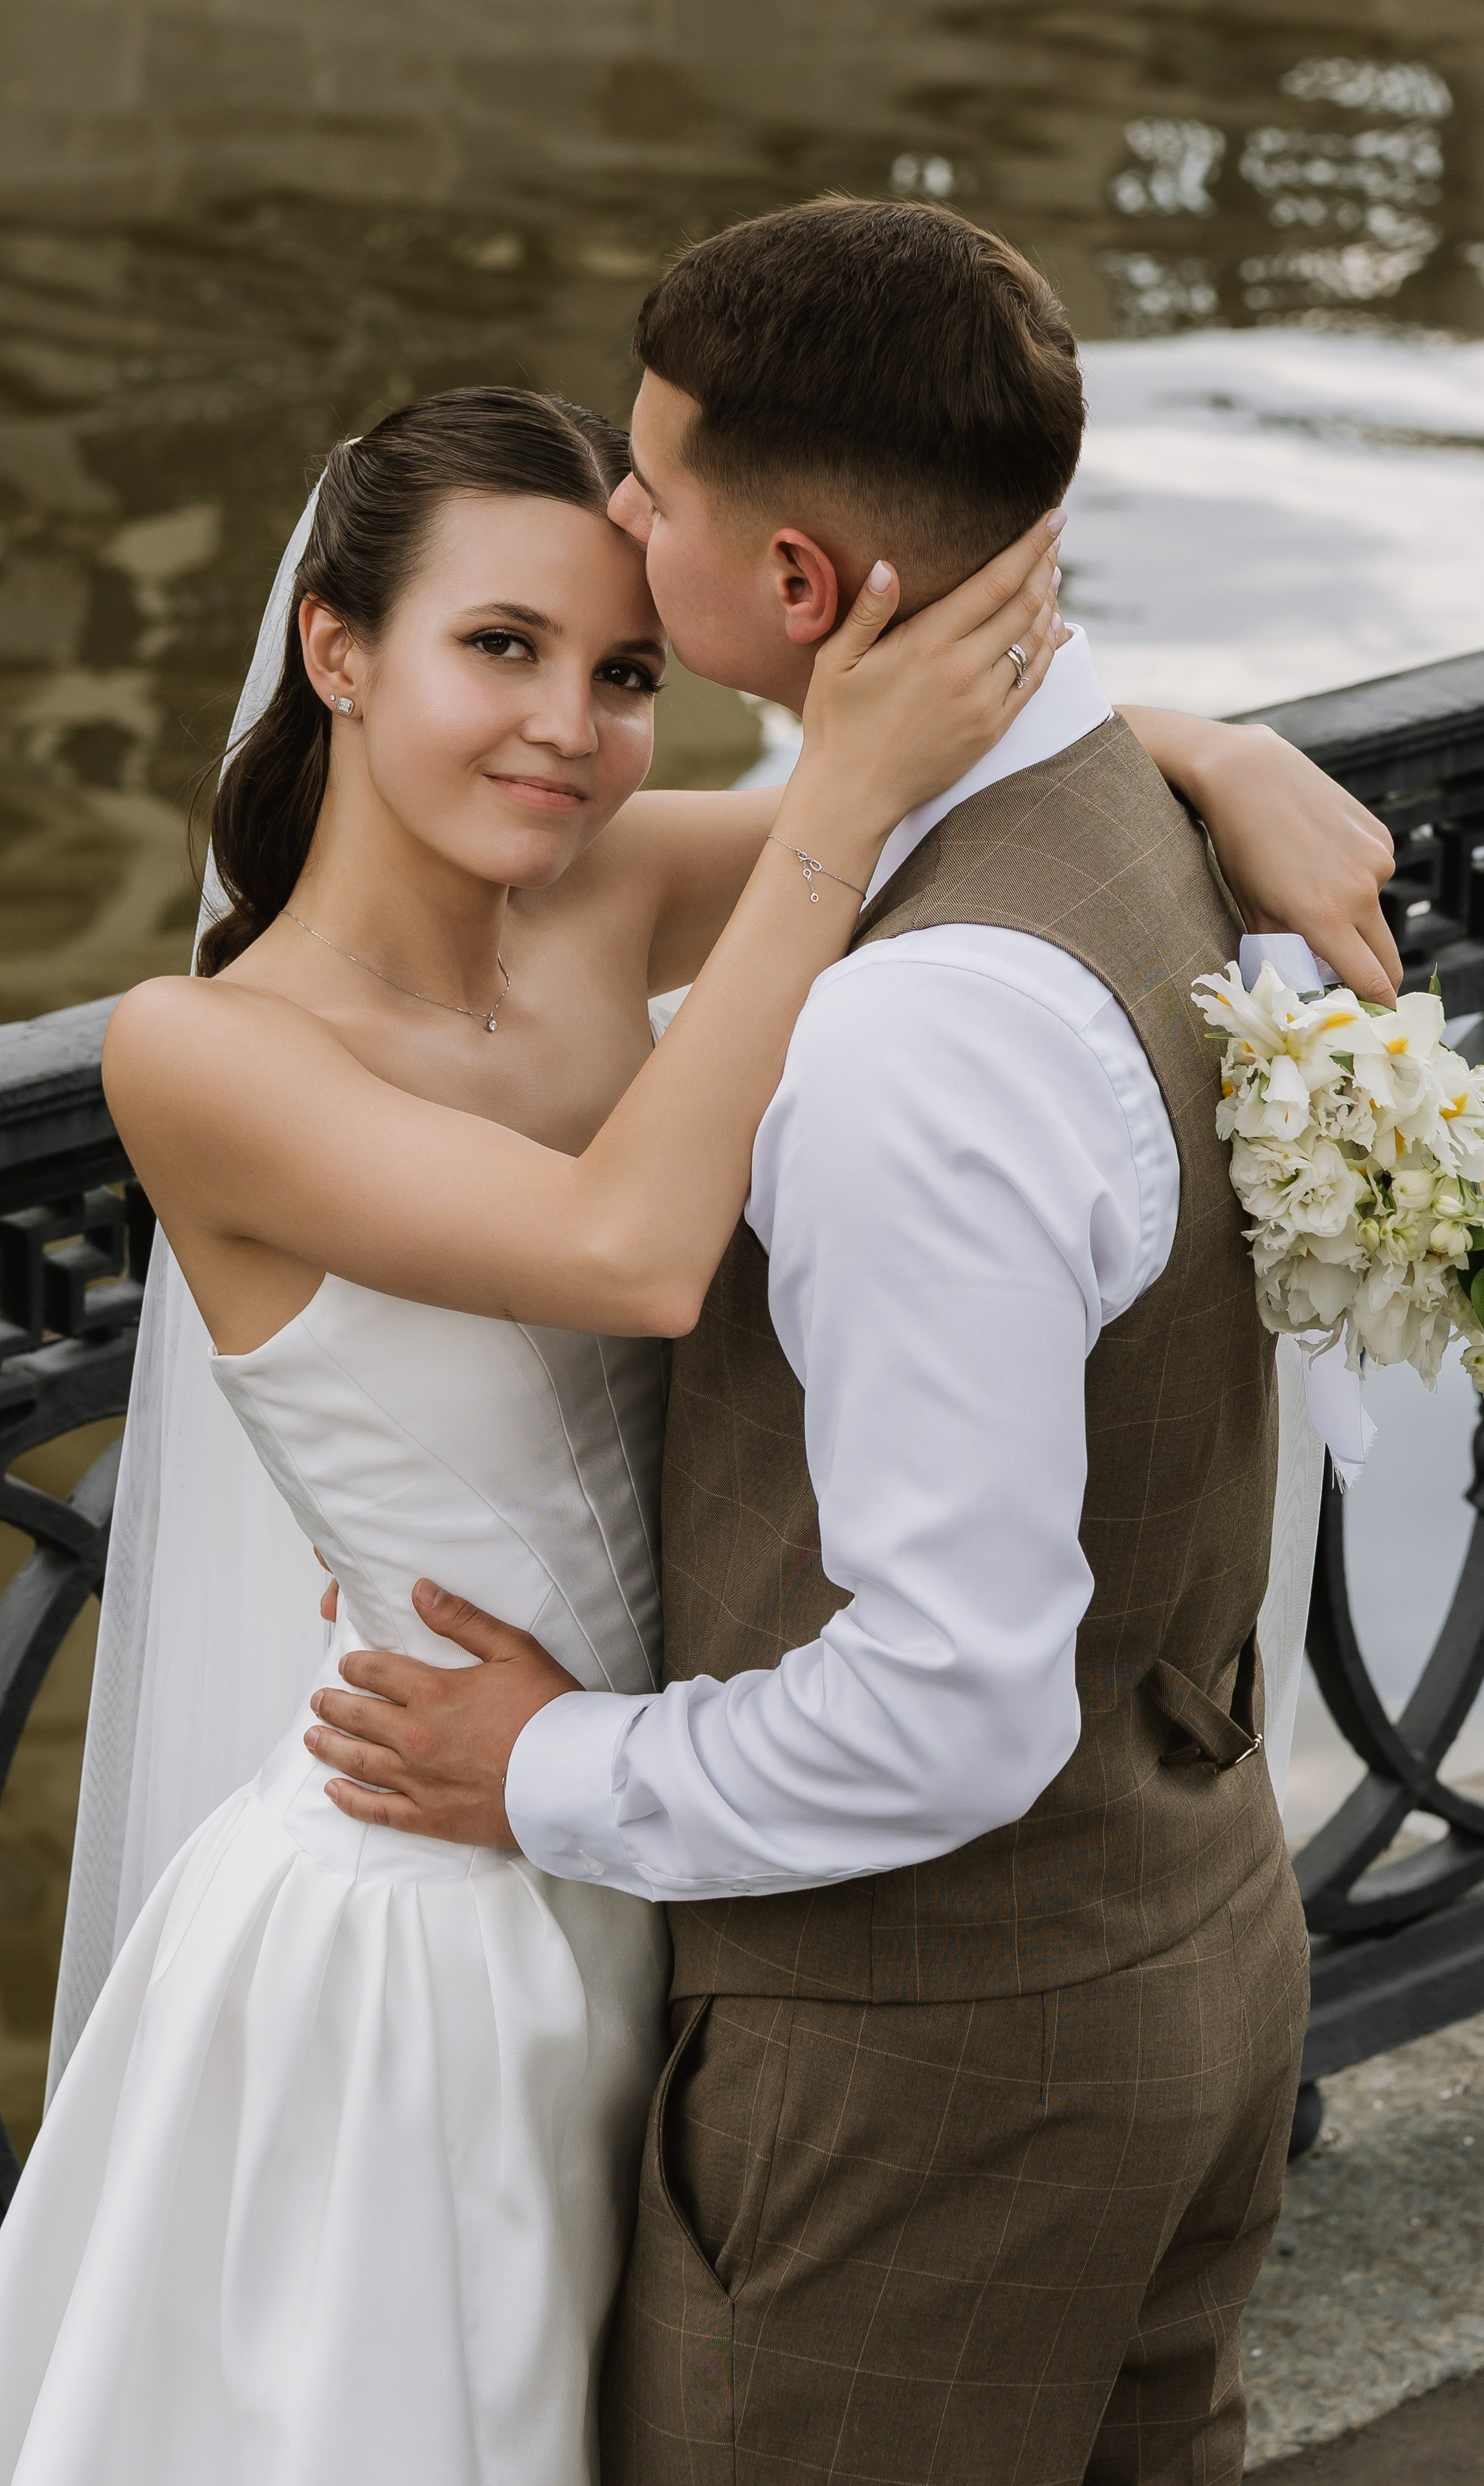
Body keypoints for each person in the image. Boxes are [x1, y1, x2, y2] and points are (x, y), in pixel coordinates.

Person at [298, 204, 1401, 2484]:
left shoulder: (904, 1040)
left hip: (928, 2079)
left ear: (798, 591)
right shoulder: (1115, 819)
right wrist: (1212, 737)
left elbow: (948, 1701)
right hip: (1187, 1934)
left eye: (657, 488)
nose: (620, 508)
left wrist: (540, 1777)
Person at [0, 383, 1073, 2485]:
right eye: (500, 647)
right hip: (413, 1922)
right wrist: (835, 797)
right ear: (337, 651)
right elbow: (632, 1251)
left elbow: (994, 787)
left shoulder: (595, 895)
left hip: (645, 1833)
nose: (569, 730)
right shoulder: (206, 1049)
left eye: (627, 673)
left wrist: (1238, 766)